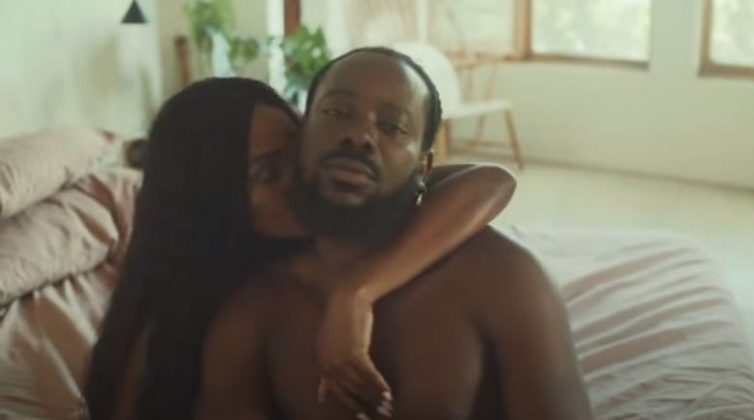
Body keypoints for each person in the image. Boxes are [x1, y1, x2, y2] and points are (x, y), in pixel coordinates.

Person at [83, 76, 517, 419]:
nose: (302, 179)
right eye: (268, 173)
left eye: (298, 154)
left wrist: (356, 294)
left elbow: (489, 182)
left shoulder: (318, 232)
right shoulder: (177, 332)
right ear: (213, 202)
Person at [197, 48, 593, 419]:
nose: (360, 136)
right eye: (337, 111)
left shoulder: (503, 279)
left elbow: (493, 179)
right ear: (300, 140)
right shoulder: (255, 311)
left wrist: (354, 294)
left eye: (393, 127)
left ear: (423, 168)